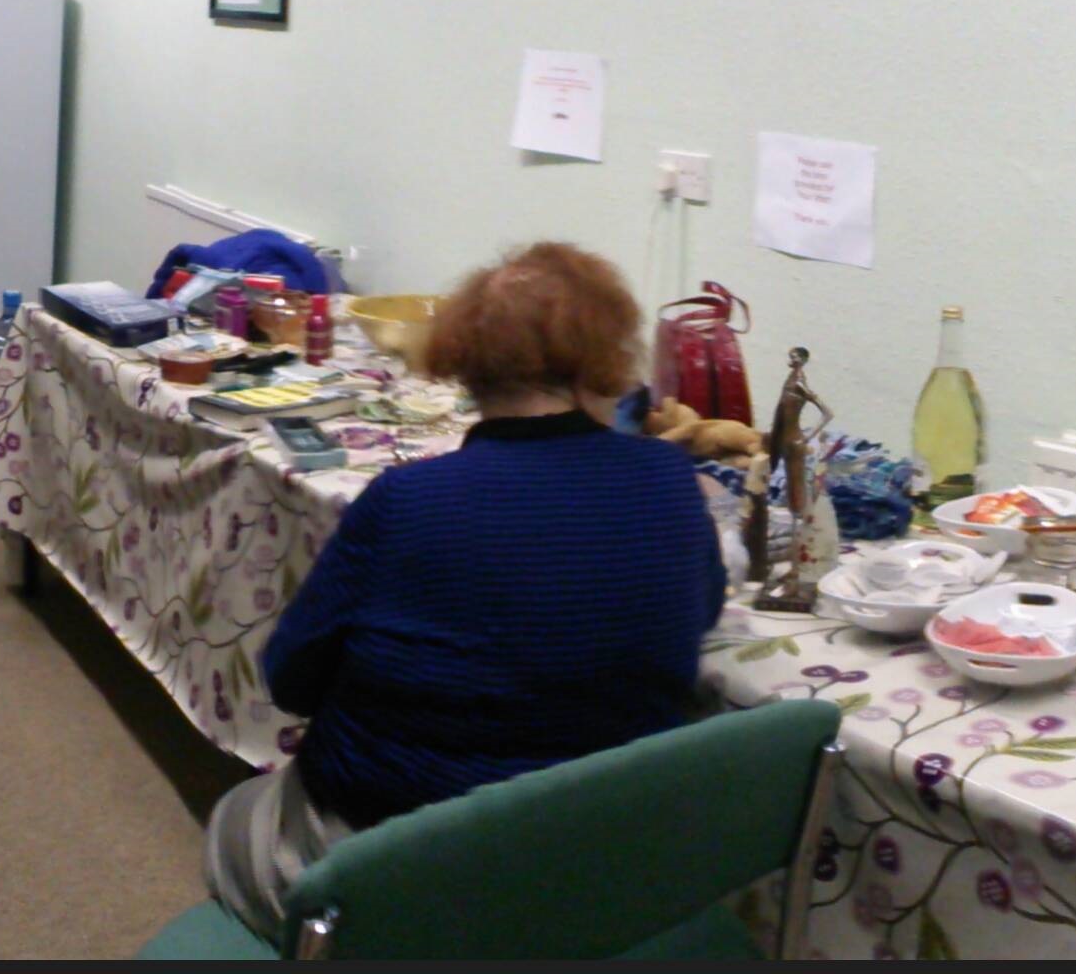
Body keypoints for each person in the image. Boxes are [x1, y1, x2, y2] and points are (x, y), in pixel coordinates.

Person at [211, 242, 724, 939]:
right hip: (604, 862)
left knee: (234, 818)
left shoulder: (405, 499)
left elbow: (290, 679)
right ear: (600, 364)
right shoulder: (669, 479)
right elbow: (701, 609)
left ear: (464, 363)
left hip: (407, 859)